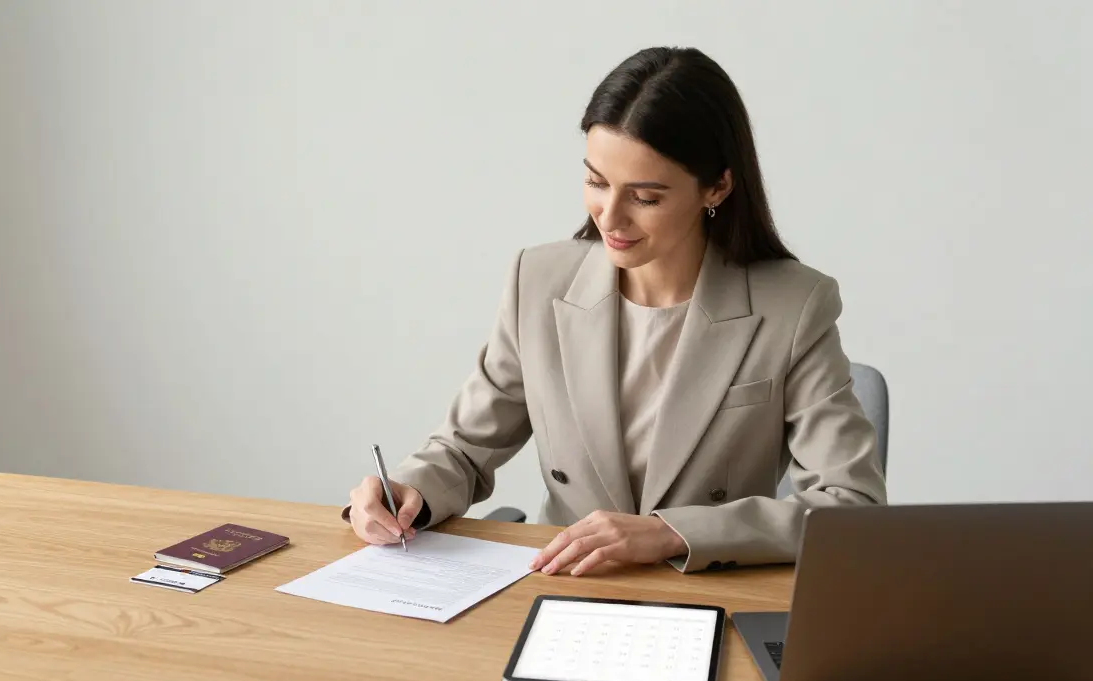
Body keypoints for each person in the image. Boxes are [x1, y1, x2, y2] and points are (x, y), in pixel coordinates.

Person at [343, 46, 886, 574]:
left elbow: (850, 503)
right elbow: (463, 450)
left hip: (708, 589)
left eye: (645, 197)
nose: (611, 217)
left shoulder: (793, 305)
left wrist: (672, 532)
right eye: (596, 183)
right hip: (563, 582)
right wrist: (408, 492)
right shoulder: (537, 281)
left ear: (717, 185)